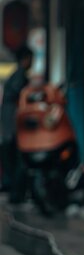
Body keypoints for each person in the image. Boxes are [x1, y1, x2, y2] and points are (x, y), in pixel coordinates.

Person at [1, 46, 32, 204]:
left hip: (8, 127)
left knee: (12, 161)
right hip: (13, 127)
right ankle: (15, 195)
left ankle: (14, 192)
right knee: (18, 160)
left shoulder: (15, 76)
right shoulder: (20, 77)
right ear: (25, 59)